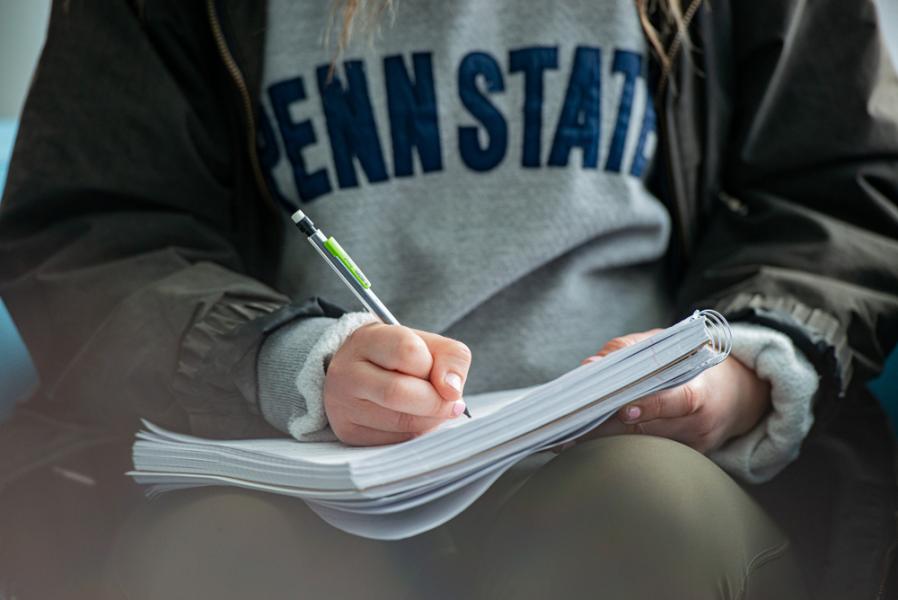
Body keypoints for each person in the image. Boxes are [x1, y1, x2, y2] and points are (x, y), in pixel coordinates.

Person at [0, 0, 896, 598]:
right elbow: (93, 230)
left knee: (639, 511)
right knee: (220, 557)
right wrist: (283, 361)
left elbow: (841, 194)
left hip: (646, 459)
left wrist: (740, 371)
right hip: (296, 466)